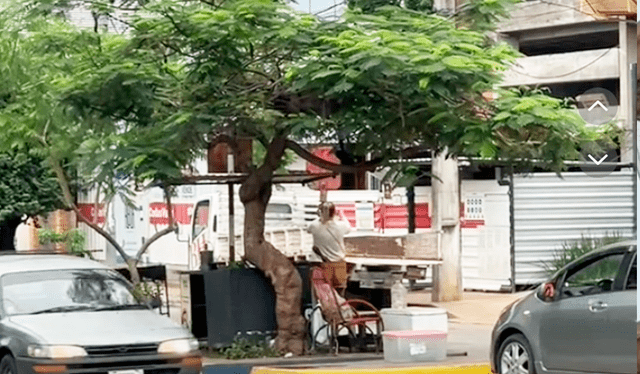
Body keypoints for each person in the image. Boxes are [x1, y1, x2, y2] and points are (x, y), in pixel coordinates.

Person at [307, 202, 352, 297]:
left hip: (323, 265)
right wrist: (341, 214)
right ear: (334, 213)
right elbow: (349, 227)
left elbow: (308, 229)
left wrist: (321, 217)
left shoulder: (314, 226)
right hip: (339, 265)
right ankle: (339, 310)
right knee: (340, 294)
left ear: (320, 213)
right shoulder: (341, 226)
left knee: (321, 295)